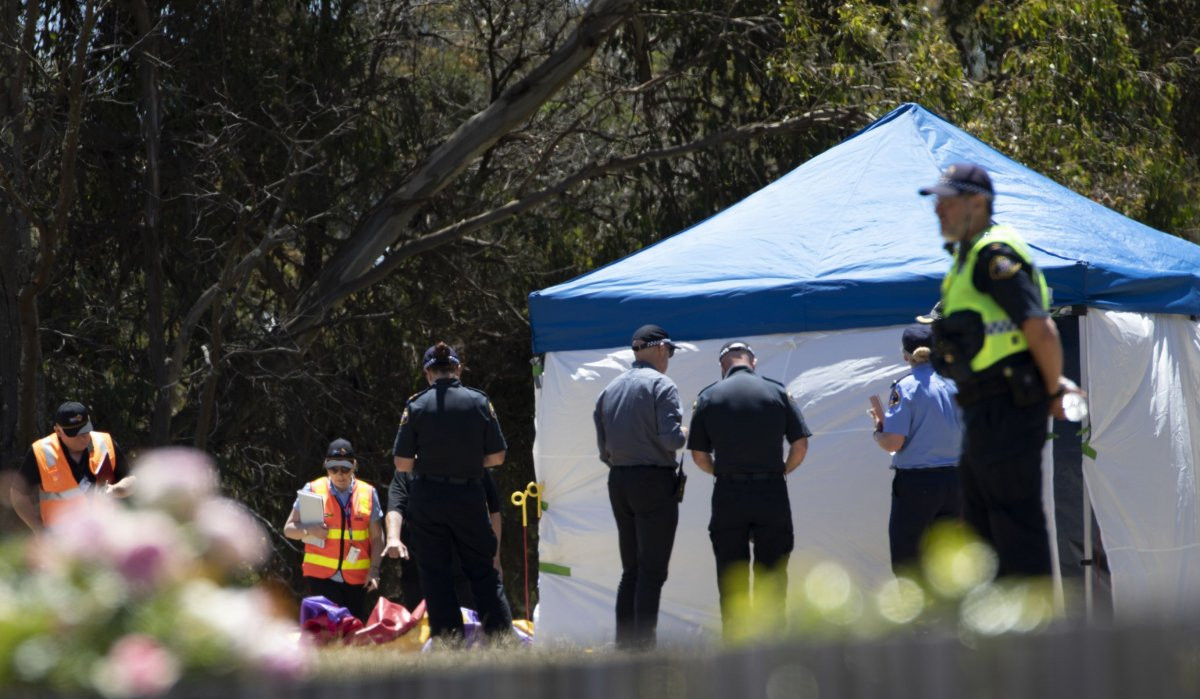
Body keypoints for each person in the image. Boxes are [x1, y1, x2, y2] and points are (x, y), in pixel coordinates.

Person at [919, 162, 1080, 578]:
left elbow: (1040, 329)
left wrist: (1052, 391)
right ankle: (999, 616)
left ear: (977, 203)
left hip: (1008, 404)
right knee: (982, 531)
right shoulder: (966, 259)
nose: (938, 210)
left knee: (1015, 526)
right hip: (984, 409)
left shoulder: (995, 255)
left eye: (948, 201)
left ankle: (1033, 618)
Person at [687, 341, 811, 636]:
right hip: (771, 492)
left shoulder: (708, 396)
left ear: (723, 365)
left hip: (729, 494)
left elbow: (699, 456)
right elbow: (800, 445)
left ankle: (736, 642)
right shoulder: (777, 392)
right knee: (772, 573)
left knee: (732, 573)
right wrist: (782, 469)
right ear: (753, 362)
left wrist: (721, 471)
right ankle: (772, 641)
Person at [392, 342, 513, 642]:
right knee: (482, 572)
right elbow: (498, 456)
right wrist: (466, 461)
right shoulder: (479, 401)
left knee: (436, 576)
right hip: (468, 496)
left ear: (428, 373)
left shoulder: (416, 406)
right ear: (457, 369)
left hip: (428, 499)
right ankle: (501, 642)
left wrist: (431, 463)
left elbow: (402, 463)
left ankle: (450, 645)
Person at [593, 323, 687, 649]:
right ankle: (644, 650)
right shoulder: (662, 385)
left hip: (619, 481)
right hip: (653, 481)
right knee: (652, 571)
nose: (669, 357)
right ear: (660, 348)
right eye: (669, 351)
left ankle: (625, 647)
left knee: (631, 570)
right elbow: (671, 439)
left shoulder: (609, 389)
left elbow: (603, 450)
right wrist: (687, 432)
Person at [867, 324, 963, 574]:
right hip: (958, 481)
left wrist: (878, 432)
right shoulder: (956, 382)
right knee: (951, 563)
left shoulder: (905, 387)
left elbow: (894, 442)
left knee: (909, 563)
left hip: (918, 484)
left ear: (905, 355)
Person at [282, 438, 383, 620]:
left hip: (356, 578)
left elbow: (377, 537)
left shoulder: (368, 493)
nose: (340, 474)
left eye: (345, 469)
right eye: (333, 469)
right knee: (328, 628)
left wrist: (374, 570)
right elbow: (289, 529)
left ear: (354, 466)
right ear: (326, 466)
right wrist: (309, 530)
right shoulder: (313, 489)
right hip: (320, 577)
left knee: (352, 628)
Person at [384, 468, 503, 612]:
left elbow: (494, 512)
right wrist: (393, 537)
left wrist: (495, 558)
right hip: (418, 566)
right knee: (420, 622)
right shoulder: (406, 469)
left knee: (469, 620)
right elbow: (395, 506)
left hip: (463, 565)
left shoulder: (472, 463)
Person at [10, 401, 137, 531]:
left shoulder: (105, 443)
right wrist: (38, 528)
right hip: (61, 537)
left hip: (104, 533)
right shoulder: (41, 452)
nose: (83, 437)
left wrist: (115, 490)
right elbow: (18, 494)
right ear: (58, 431)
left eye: (85, 429)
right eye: (75, 433)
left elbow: (131, 480)